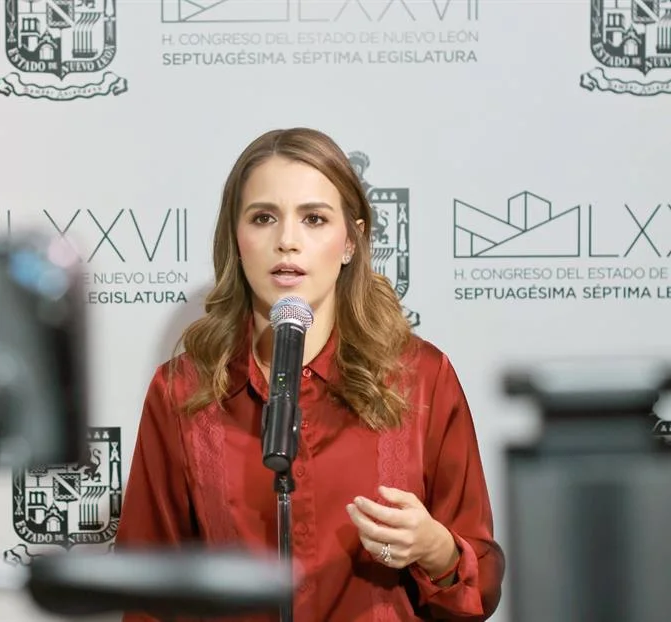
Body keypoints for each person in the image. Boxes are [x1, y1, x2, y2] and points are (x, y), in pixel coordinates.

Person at [115, 127, 506, 621]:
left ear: (350, 242)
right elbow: (148, 594)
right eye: (263, 218)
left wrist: (437, 550)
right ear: (236, 239)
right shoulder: (182, 390)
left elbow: (478, 591)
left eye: (314, 219)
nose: (287, 242)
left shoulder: (421, 377)